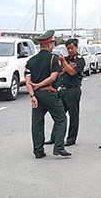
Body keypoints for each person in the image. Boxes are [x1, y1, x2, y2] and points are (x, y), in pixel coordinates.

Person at [25, 30, 71, 159]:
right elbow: (52, 77)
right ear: (49, 44)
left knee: (37, 122)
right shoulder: (53, 58)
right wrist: (40, 84)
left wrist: (32, 95)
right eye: (52, 44)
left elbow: (28, 81)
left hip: (37, 95)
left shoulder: (31, 61)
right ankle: (59, 147)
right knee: (61, 118)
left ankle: (38, 151)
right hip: (49, 93)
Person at [45, 38, 85, 146]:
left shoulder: (80, 60)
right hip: (62, 90)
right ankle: (54, 137)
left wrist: (65, 65)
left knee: (73, 115)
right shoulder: (66, 59)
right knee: (59, 115)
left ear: (77, 47)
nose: (70, 50)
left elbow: (72, 72)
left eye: (72, 48)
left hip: (73, 90)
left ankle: (71, 139)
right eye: (68, 48)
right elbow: (59, 72)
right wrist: (66, 66)